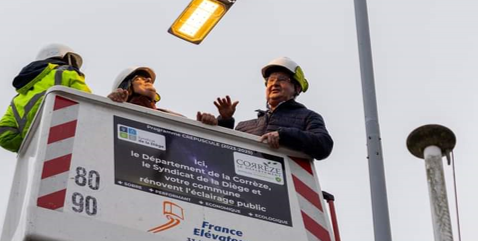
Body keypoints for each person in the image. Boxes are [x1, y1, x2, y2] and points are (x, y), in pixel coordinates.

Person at [201, 57, 333, 159]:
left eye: (282, 79)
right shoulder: (245, 126)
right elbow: (223, 151)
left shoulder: (307, 117)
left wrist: (284, 135)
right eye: (270, 80)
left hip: (285, 188)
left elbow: (323, 145)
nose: (275, 84)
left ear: (297, 88)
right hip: (245, 187)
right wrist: (223, 121)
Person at [0, 44, 91, 152]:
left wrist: (31, 145)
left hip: (43, 154)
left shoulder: (18, 99)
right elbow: (87, 102)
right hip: (71, 140)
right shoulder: (66, 72)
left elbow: (4, 136)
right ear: (65, 58)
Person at [106, 66, 181, 115]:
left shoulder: (170, 116)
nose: (149, 79)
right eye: (140, 78)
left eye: (148, 79)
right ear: (127, 88)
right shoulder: (121, 114)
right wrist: (110, 105)